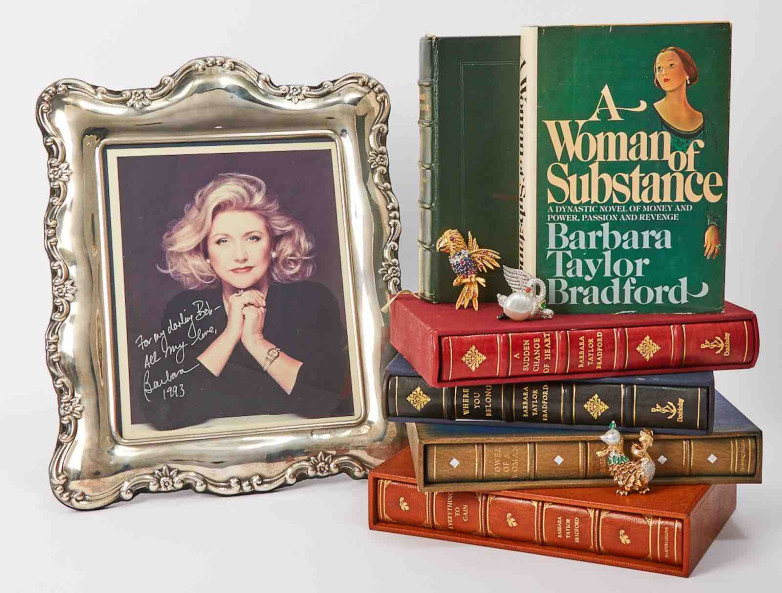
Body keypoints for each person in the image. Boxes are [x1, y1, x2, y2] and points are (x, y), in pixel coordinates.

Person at [146, 173, 350, 430]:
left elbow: (329, 404)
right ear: (205, 252)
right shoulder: (184, 310)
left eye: (253, 238)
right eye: (222, 241)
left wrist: (256, 341)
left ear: (273, 245)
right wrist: (231, 333)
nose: (240, 255)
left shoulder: (312, 300)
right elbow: (165, 413)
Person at [652, 47, 721, 259]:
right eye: (659, 68)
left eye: (671, 65)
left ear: (687, 72)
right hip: (656, 229)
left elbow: (713, 176)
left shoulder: (707, 123)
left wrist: (713, 225)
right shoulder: (648, 117)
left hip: (696, 226)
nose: (664, 72)